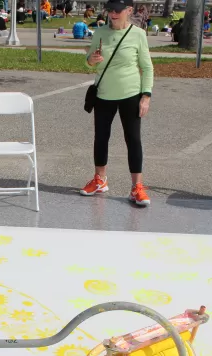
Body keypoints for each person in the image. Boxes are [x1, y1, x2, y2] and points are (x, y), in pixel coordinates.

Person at [81, 0, 153, 206]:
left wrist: (146, 96)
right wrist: (90, 61)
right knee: (101, 138)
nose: (113, 13)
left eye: (118, 10)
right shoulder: (100, 32)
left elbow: (147, 68)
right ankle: (100, 180)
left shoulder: (138, 34)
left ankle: (136, 187)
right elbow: (88, 59)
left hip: (130, 94)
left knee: (133, 139)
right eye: (110, 9)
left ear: (129, 11)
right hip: (104, 94)